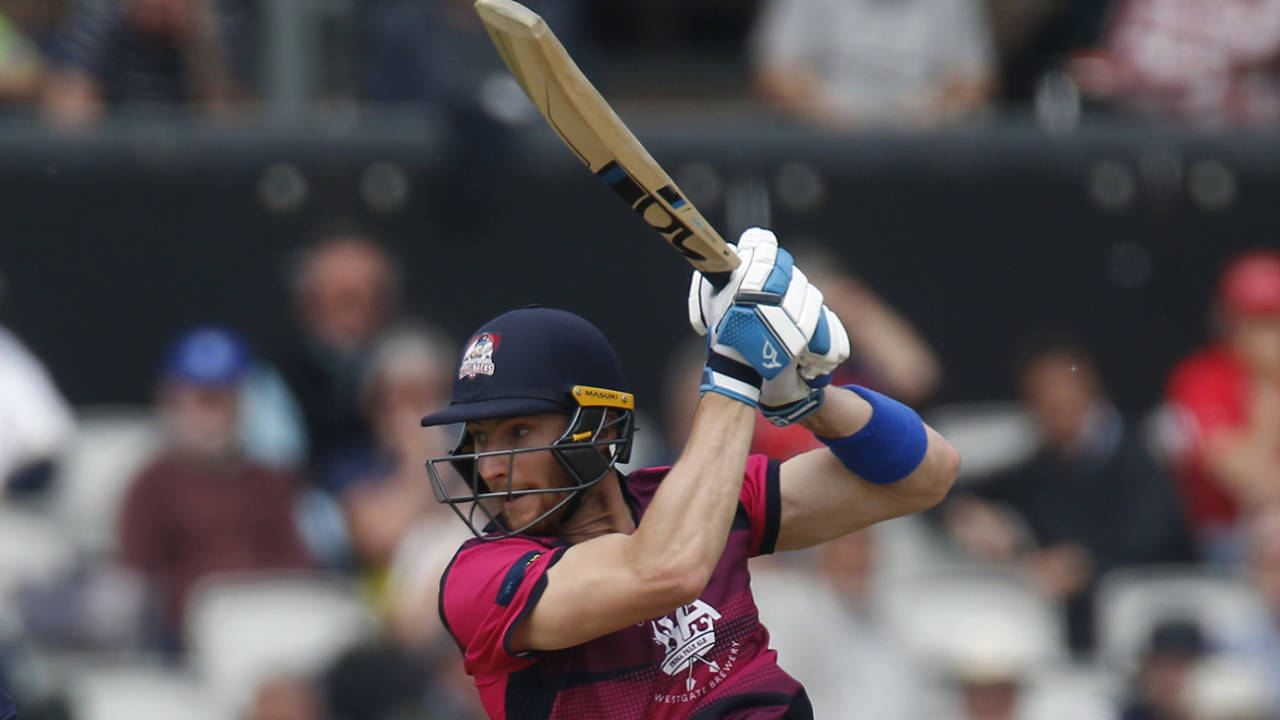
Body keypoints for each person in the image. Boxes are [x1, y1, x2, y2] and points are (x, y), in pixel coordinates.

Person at [424, 228, 961, 718]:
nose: (491, 468)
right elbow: (666, 570)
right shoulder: (479, 579)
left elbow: (927, 474)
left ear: (603, 426)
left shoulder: (705, 498)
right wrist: (734, 366)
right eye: (480, 439)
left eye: (518, 433)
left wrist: (803, 397)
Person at [944, 338, 1192, 652]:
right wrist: (966, 512)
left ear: (1092, 392)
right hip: (1060, 624)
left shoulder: (1140, 456)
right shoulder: (1037, 469)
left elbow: (1157, 536)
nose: (1055, 404)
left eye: (1065, 392)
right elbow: (944, 490)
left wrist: (1086, 562)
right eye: (1042, 396)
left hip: (1154, 617)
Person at [118, 326, 311, 649]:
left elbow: (299, 567)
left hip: (270, 624)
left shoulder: (270, 482)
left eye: (221, 400)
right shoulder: (151, 485)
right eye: (200, 400)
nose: (211, 416)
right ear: (171, 402)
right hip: (189, 643)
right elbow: (138, 585)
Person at [1165, 249, 1280, 563]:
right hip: (1229, 537)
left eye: (1273, 319)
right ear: (1227, 320)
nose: (1268, 333)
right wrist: (1268, 391)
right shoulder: (1202, 378)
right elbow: (1250, 482)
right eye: (1254, 320)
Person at [750, 529, 929, 719]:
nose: (859, 557)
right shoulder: (794, 610)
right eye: (850, 545)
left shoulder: (882, 616)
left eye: (865, 546)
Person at [750, 0, 995, 129]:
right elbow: (775, 76)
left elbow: (976, 84)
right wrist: (836, 113)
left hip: (929, 153)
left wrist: (928, 112)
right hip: (826, 147)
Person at [42, 0, 254, 129]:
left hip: (197, 162)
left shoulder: (218, 15)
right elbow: (68, 113)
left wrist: (198, 40)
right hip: (115, 159)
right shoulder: (102, 10)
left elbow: (229, 124)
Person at [1121, 619, 1209, 720]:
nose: (1168, 679)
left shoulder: (1221, 712)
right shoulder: (1130, 715)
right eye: (1160, 666)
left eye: (1178, 667)